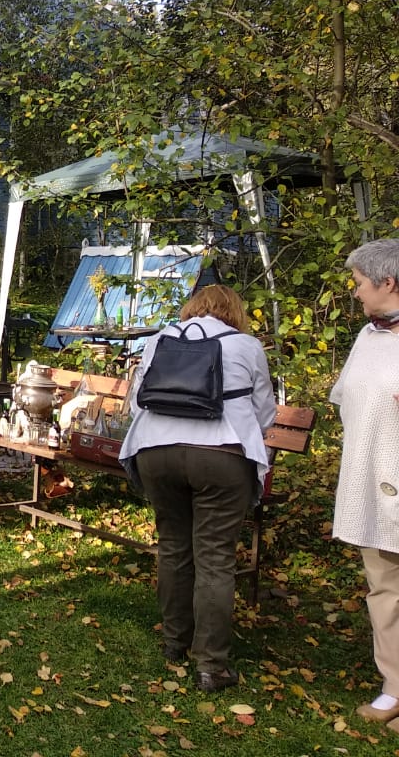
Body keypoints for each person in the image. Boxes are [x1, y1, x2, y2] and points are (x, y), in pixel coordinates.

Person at [119, 284, 276, 692]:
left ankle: (175, 642)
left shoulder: (161, 339)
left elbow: (138, 403)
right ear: (234, 312)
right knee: (215, 558)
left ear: (193, 308)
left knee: (173, 546)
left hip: (157, 450)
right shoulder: (246, 345)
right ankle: (211, 665)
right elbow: (264, 414)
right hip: (221, 456)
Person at [330, 239, 399, 723]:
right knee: (385, 586)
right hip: (371, 480)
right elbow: (349, 401)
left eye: (358, 284)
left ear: (387, 282)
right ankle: (395, 685)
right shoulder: (369, 337)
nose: (355, 293)